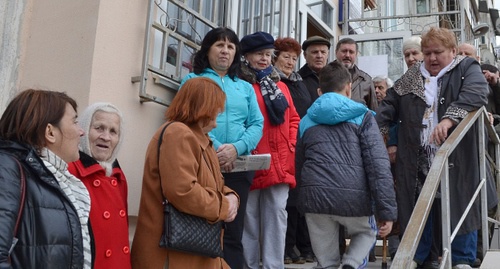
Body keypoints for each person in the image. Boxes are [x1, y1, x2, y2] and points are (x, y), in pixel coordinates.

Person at [376, 27, 490, 269]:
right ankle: (418, 255)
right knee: (419, 203)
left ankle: (462, 258)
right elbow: (389, 103)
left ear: (452, 51)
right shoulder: (413, 74)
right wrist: (380, 132)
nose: (431, 58)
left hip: (458, 152)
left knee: (461, 201)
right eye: (427, 53)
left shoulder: (465, 68)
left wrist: (449, 119)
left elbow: (477, 92)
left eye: (438, 52)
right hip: (417, 154)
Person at [296, 61, 397, 269]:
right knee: (366, 232)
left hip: (315, 197)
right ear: (349, 88)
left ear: (319, 91)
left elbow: (299, 163)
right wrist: (386, 211)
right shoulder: (364, 116)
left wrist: (302, 197)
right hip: (354, 197)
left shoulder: (305, 120)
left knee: (326, 261)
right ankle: (351, 264)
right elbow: (378, 165)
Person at [131, 77, 240, 269]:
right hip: (172, 255)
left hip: (194, 253)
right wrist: (224, 206)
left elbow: (212, 184)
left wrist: (231, 196)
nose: (217, 119)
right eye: (215, 109)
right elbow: (183, 191)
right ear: (203, 107)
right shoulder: (178, 133)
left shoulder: (202, 140)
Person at [180, 27, 264, 269]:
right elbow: (187, 120)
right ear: (207, 51)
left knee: (233, 232)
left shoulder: (245, 87)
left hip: (239, 167)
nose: (225, 51)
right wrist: (218, 150)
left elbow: (257, 123)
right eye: (219, 45)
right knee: (206, 227)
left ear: (236, 52)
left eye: (230, 46)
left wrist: (237, 148)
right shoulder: (191, 81)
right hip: (203, 163)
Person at [0, 89, 90, 269]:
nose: (82, 132)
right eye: (75, 122)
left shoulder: (56, 178)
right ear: (50, 132)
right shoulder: (7, 168)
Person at [239, 31, 300, 269]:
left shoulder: (281, 86)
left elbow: (293, 118)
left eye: (267, 54)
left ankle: (274, 265)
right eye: (259, 54)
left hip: (280, 161)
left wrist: (291, 142)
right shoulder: (242, 85)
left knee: (277, 214)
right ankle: (250, 265)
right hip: (251, 159)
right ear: (247, 56)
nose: (264, 59)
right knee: (249, 217)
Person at [68, 102, 130, 269]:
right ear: (84, 129)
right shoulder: (70, 169)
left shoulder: (118, 176)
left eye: (113, 131)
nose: (106, 137)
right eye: (99, 128)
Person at [273, 36, 314, 264]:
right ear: (275, 57)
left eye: (294, 58)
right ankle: (284, 249)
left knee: (298, 199)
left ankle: (296, 247)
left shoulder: (298, 82)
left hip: (301, 146)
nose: (290, 62)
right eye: (286, 57)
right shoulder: (271, 80)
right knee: (284, 201)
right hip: (280, 145)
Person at [335, 37, 378, 110]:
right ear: (336, 52)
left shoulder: (366, 80)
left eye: (351, 52)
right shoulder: (325, 75)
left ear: (356, 54)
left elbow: (373, 112)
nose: (347, 55)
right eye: (344, 51)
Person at [298, 35, 331, 101]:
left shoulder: (335, 77)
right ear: (305, 55)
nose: (319, 56)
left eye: (323, 52)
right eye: (315, 52)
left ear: (328, 55)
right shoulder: (297, 80)